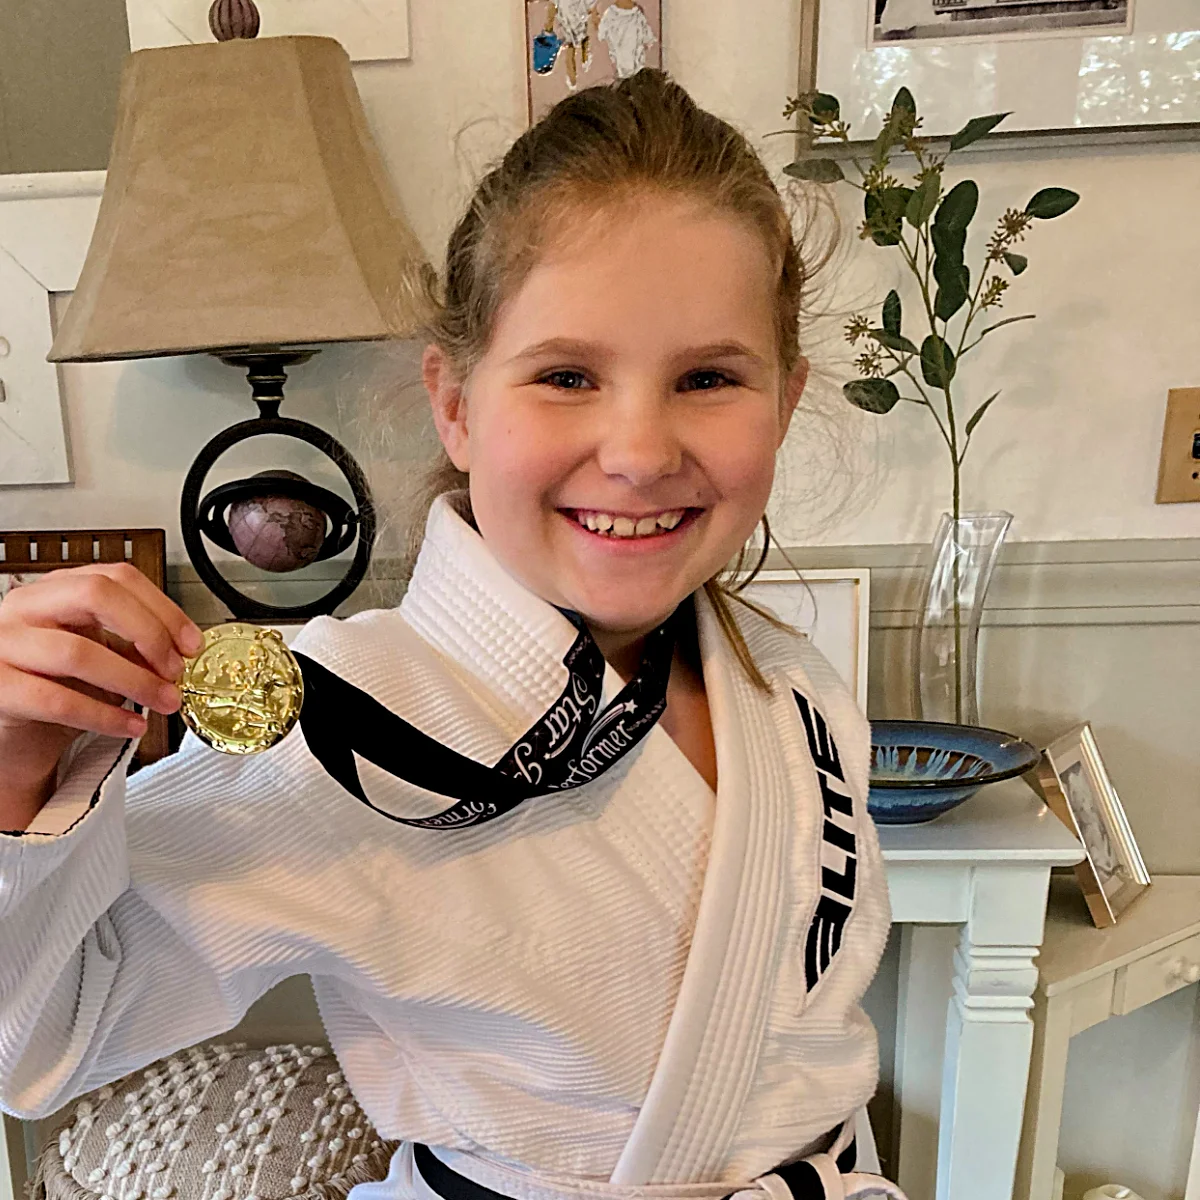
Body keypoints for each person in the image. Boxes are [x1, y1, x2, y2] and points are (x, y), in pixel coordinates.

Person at [0, 72, 900, 1200]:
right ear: (457, 403)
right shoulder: (337, 723)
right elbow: (37, 1039)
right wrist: (14, 762)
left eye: (709, 378)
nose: (637, 450)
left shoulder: (791, 684)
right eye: (566, 375)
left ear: (785, 397)